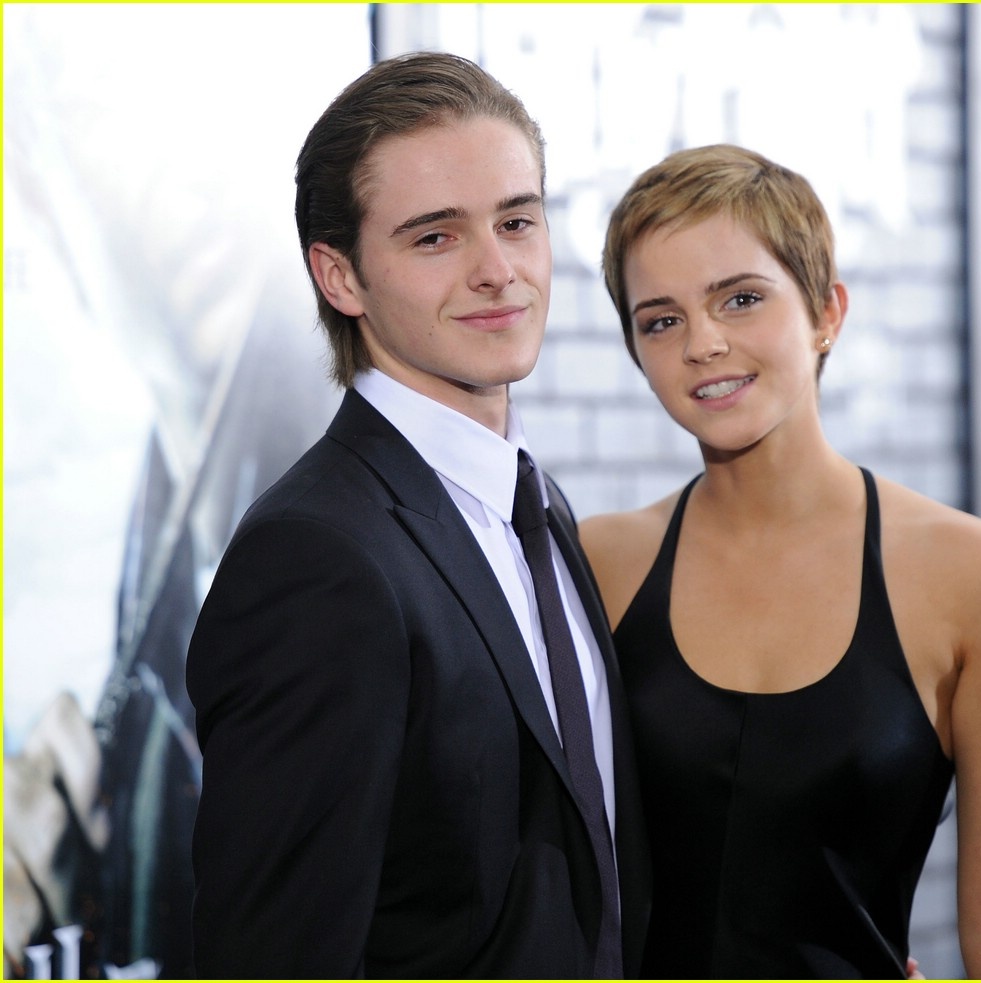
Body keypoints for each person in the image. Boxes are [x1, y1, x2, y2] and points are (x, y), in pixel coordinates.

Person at [185, 52, 649, 978]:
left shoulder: (536, 504)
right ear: (341, 277)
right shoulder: (314, 558)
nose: (498, 271)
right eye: (435, 237)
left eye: (517, 221)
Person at [580, 144, 981, 978]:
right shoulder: (597, 563)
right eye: (661, 320)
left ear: (826, 313)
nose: (703, 343)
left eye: (740, 299)